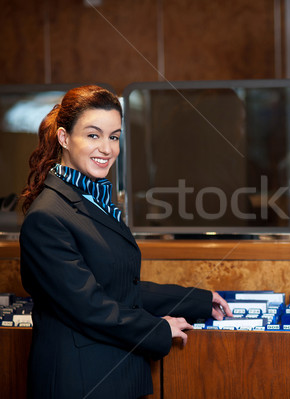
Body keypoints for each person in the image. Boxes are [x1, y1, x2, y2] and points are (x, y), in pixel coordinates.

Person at [19, 85, 232, 398]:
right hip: (80, 383)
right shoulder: (47, 216)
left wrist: (197, 301)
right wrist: (159, 329)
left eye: (114, 136)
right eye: (93, 135)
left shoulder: (95, 199)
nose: (107, 148)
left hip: (115, 374)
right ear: (64, 138)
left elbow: (117, 285)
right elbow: (89, 306)